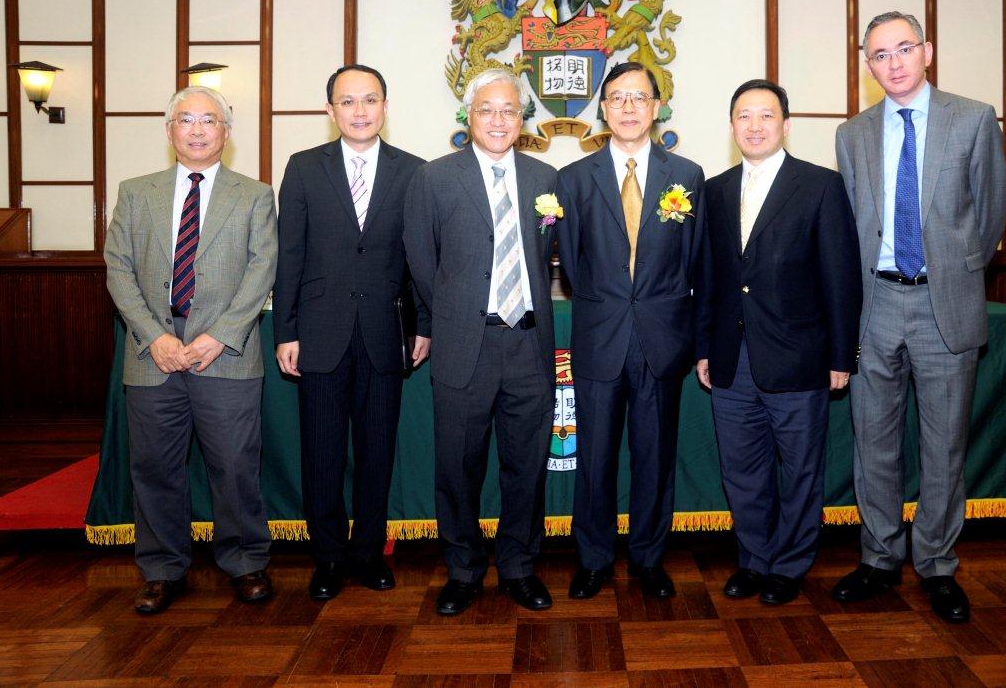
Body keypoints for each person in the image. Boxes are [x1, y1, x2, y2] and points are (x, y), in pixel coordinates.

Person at [833, 11, 1006, 623]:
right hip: (874, 304)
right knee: (873, 442)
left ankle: (937, 563)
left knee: (944, 444)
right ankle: (880, 557)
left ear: (927, 51)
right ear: (868, 65)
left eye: (904, 48)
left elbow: (990, 215)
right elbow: (851, 224)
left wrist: (952, 271)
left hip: (944, 303)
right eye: (880, 54)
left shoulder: (974, 118)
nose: (894, 62)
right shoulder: (852, 134)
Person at [104, 86, 277, 615]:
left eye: (209, 120)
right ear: (169, 130)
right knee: (155, 467)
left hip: (227, 351)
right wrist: (154, 336)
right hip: (152, 352)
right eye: (186, 120)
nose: (198, 130)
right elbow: (118, 269)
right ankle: (161, 570)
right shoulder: (136, 192)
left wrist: (219, 335)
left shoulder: (254, 195)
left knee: (235, 466)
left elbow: (262, 268)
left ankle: (245, 562)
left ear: (226, 132)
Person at [695, 79, 861, 605]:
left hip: (799, 357)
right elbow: (709, 277)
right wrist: (704, 347)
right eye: (744, 116)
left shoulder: (820, 186)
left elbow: (840, 277)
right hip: (731, 358)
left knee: (800, 469)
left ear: (786, 125)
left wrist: (841, 355)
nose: (755, 126)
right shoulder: (715, 191)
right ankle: (754, 560)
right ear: (731, 126)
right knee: (742, 470)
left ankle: (789, 566)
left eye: (766, 116)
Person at [403, 68, 559, 616]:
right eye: (487, 109)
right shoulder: (433, 178)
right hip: (464, 344)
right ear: (468, 116)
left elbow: (552, 254)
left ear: (522, 119)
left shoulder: (546, 178)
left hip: (529, 346)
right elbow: (421, 262)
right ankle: (463, 570)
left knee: (527, 466)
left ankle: (519, 567)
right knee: (458, 466)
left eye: (509, 110)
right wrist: (451, 316)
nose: (498, 120)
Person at [274, 64, 428, 601]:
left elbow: (420, 260)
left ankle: (368, 554)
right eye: (348, 101)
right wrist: (285, 329)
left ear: (385, 106)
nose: (360, 111)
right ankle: (328, 558)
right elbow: (290, 254)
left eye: (370, 100)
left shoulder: (414, 171)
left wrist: (423, 326)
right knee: (322, 453)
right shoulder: (303, 167)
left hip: (386, 333)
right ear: (330, 110)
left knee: (377, 452)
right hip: (319, 333)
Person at [556, 62, 708, 599]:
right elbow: (571, 265)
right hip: (600, 338)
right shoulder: (574, 178)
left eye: (639, 98)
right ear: (603, 108)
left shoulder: (687, 176)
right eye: (617, 98)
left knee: (655, 458)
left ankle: (648, 558)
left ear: (656, 107)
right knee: (594, 459)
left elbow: (694, 261)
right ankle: (594, 559)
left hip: (661, 340)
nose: (627, 107)